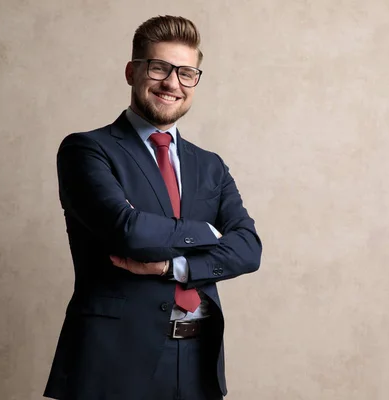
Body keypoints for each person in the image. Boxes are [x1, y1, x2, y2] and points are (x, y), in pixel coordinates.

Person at [43, 15, 262, 400]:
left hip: (198, 360)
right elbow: (128, 232)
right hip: (113, 361)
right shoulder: (87, 150)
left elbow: (248, 249)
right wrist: (208, 233)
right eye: (160, 67)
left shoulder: (209, 165)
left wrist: (172, 265)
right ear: (132, 71)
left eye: (187, 72)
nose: (172, 83)